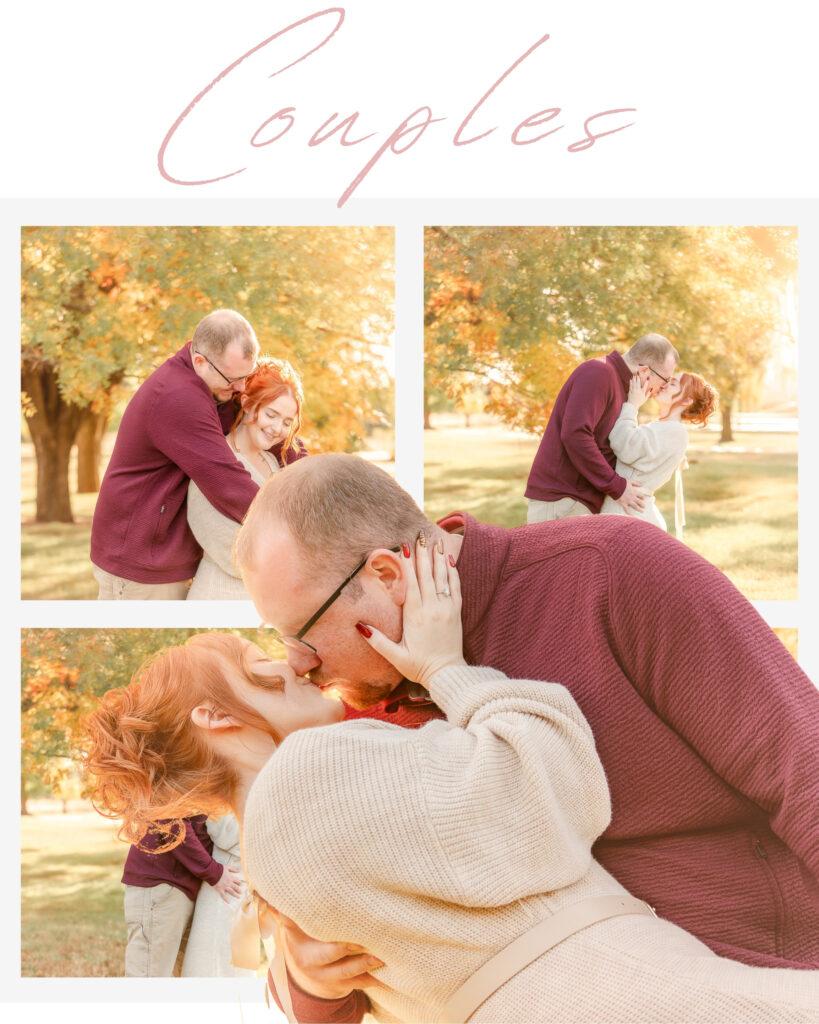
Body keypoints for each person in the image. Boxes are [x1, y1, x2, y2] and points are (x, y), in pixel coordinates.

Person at [232, 453, 819, 1018]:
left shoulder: (608, 571)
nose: (298, 664)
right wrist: (306, 977)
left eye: (302, 634)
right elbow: (327, 969)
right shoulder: (363, 717)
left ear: (386, 577)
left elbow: (802, 768)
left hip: (761, 976)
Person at [84, 572, 819, 1022]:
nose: (291, 664)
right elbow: (548, 790)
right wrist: (447, 669)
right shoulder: (310, 769)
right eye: (256, 661)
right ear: (213, 717)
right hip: (618, 992)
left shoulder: (273, 865)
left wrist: (301, 980)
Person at [90, 308, 287, 599]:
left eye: (247, 375)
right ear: (200, 361)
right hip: (139, 561)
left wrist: (307, 470)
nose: (241, 387)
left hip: (166, 554)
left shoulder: (219, 379)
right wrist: (293, 527)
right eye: (233, 379)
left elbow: (259, 421)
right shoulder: (178, 398)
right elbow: (227, 483)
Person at [524, 333, 679, 523]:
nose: (662, 387)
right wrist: (617, 486)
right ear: (645, 371)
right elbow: (575, 435)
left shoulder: (625, 390)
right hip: (564, 499)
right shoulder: (598, 373)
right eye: (664, 380)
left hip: (580, 501)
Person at [187, 359, 304, 600]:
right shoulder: (214, 464)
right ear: (248, 404)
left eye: (286, 422)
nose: (277, 428)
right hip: (220, 596)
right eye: (271, 414)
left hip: (267, 601)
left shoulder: (274, 464)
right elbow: (235, 554)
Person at [119, 813, 243, 976]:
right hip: (161, 884)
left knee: (180, 977)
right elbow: (170, 820)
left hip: (182, 887)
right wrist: (213, 872)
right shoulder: (175, 795)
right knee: (148, 977)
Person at [599, 371, 718, 534]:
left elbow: (624, 444)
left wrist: (632, 404)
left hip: (630, 515)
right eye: (668, 380)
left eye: (673, 384)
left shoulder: (674, 431)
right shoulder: (665, 428)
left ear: (687, 400)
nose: (664, 385)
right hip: (626, 509)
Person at [180, 813, 257, 977]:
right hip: (225, 887)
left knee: (239, 969)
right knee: (211, 964)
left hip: (245, 891)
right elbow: (222, 831)